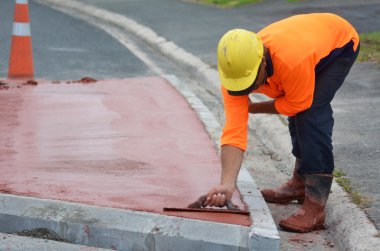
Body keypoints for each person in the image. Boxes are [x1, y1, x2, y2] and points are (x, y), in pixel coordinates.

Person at [204, 13, 360, 233]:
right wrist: (227, 184)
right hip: (307, 42)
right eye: (238, 85)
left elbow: (296, 105)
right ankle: (299, 185)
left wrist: (254, 108)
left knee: (311, 113)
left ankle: (315, 207)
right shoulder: (235, 76)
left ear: (263, 61)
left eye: (249, 82)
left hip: (339, 43)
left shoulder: (290, 61)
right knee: (301, 110)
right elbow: (234, 132)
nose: (244, 90)